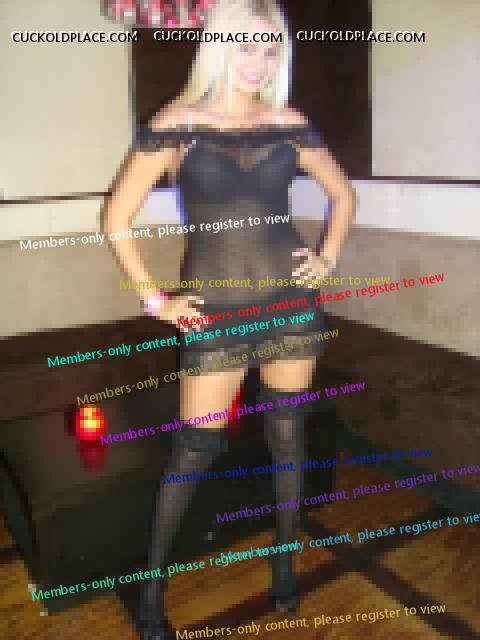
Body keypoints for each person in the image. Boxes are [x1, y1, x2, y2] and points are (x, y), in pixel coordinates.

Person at [105, 1, 357, 637]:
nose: (259, 63)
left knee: (288, 439)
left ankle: (283, 561)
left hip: (291, 309)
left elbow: (343, 194)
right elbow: (116, 218)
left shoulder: (289, 122)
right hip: (216, 316)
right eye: (245, 46)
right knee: (194, 451)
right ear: (218, 45)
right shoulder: (177, 124)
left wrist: (326, 257)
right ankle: (152, 588)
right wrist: (156, 299)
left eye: (271, 50)